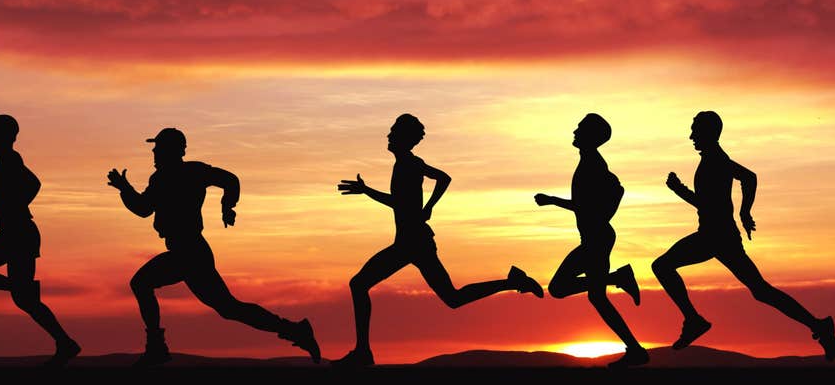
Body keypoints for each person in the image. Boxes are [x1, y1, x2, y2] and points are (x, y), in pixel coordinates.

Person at [333, 114, 545, 368]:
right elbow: (420, 191)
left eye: (393, 132)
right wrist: (376, 193)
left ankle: (363, 352)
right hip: (411, 242)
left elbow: (428, 187)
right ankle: (512, 281)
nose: (388, 136)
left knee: (360, 284)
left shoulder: (409, 164)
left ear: (403, 138)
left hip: (413, 243)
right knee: (451, 298)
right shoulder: (406, 164)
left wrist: (425, 205)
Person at [107, 127, 320, 366]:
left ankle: (156, 347)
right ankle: (295, 330)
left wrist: (228, 206)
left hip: (189, 252)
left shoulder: (191, 172)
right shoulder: (163, 178)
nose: (154, 152)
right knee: (229, 308)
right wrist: (124, 189)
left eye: (158, 148)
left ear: (171, 150)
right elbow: (144, 208)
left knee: (143, 283)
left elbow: (230, 181)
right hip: (187, 252)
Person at [652, 111, 835, 359]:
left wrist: (682, 191)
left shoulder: (715, 160)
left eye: (695, 130)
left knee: (662, 266)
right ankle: (818, 325)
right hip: (719, 236)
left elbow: (733, 188)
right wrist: (741, 211)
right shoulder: (713, 159)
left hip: (714, 236)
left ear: (708, 132)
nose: (691, 136)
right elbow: (732, 188)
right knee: (761, 290)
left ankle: (694, 320)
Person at [0, 114, 80, 366]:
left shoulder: (9, 162)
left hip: (18, 235)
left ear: (4, 135)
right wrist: (16, 201)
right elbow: (32, 184)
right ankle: (65, 343)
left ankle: (63, 340)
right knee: (25, 300)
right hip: (16, 234)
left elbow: (14, 194)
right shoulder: (7, 161)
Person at [535, 114, 646, 367]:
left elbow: (588, 205)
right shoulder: (590, 162)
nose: (574, 131)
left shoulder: (592, 164)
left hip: (597, 239)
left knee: (561, 288)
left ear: (591, 136)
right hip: (595, 237)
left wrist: (552, 200)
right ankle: (636, 347)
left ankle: (620, 283)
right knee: (591, 295)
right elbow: (613, 191)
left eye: (580, 129)